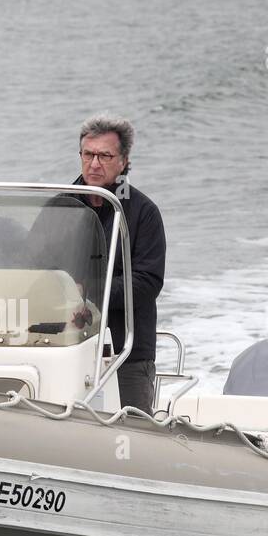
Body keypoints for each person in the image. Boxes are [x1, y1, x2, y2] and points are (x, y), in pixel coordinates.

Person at [27, 115, 166, 411]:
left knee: (133, 435)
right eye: (88, 154)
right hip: (64, 343)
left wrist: (88, 291)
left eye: (105, 155)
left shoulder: (145, 212)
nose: (94, 164)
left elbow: (148, 283)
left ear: (124, 160)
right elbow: (32, 269)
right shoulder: (59, 206)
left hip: (126, 351)